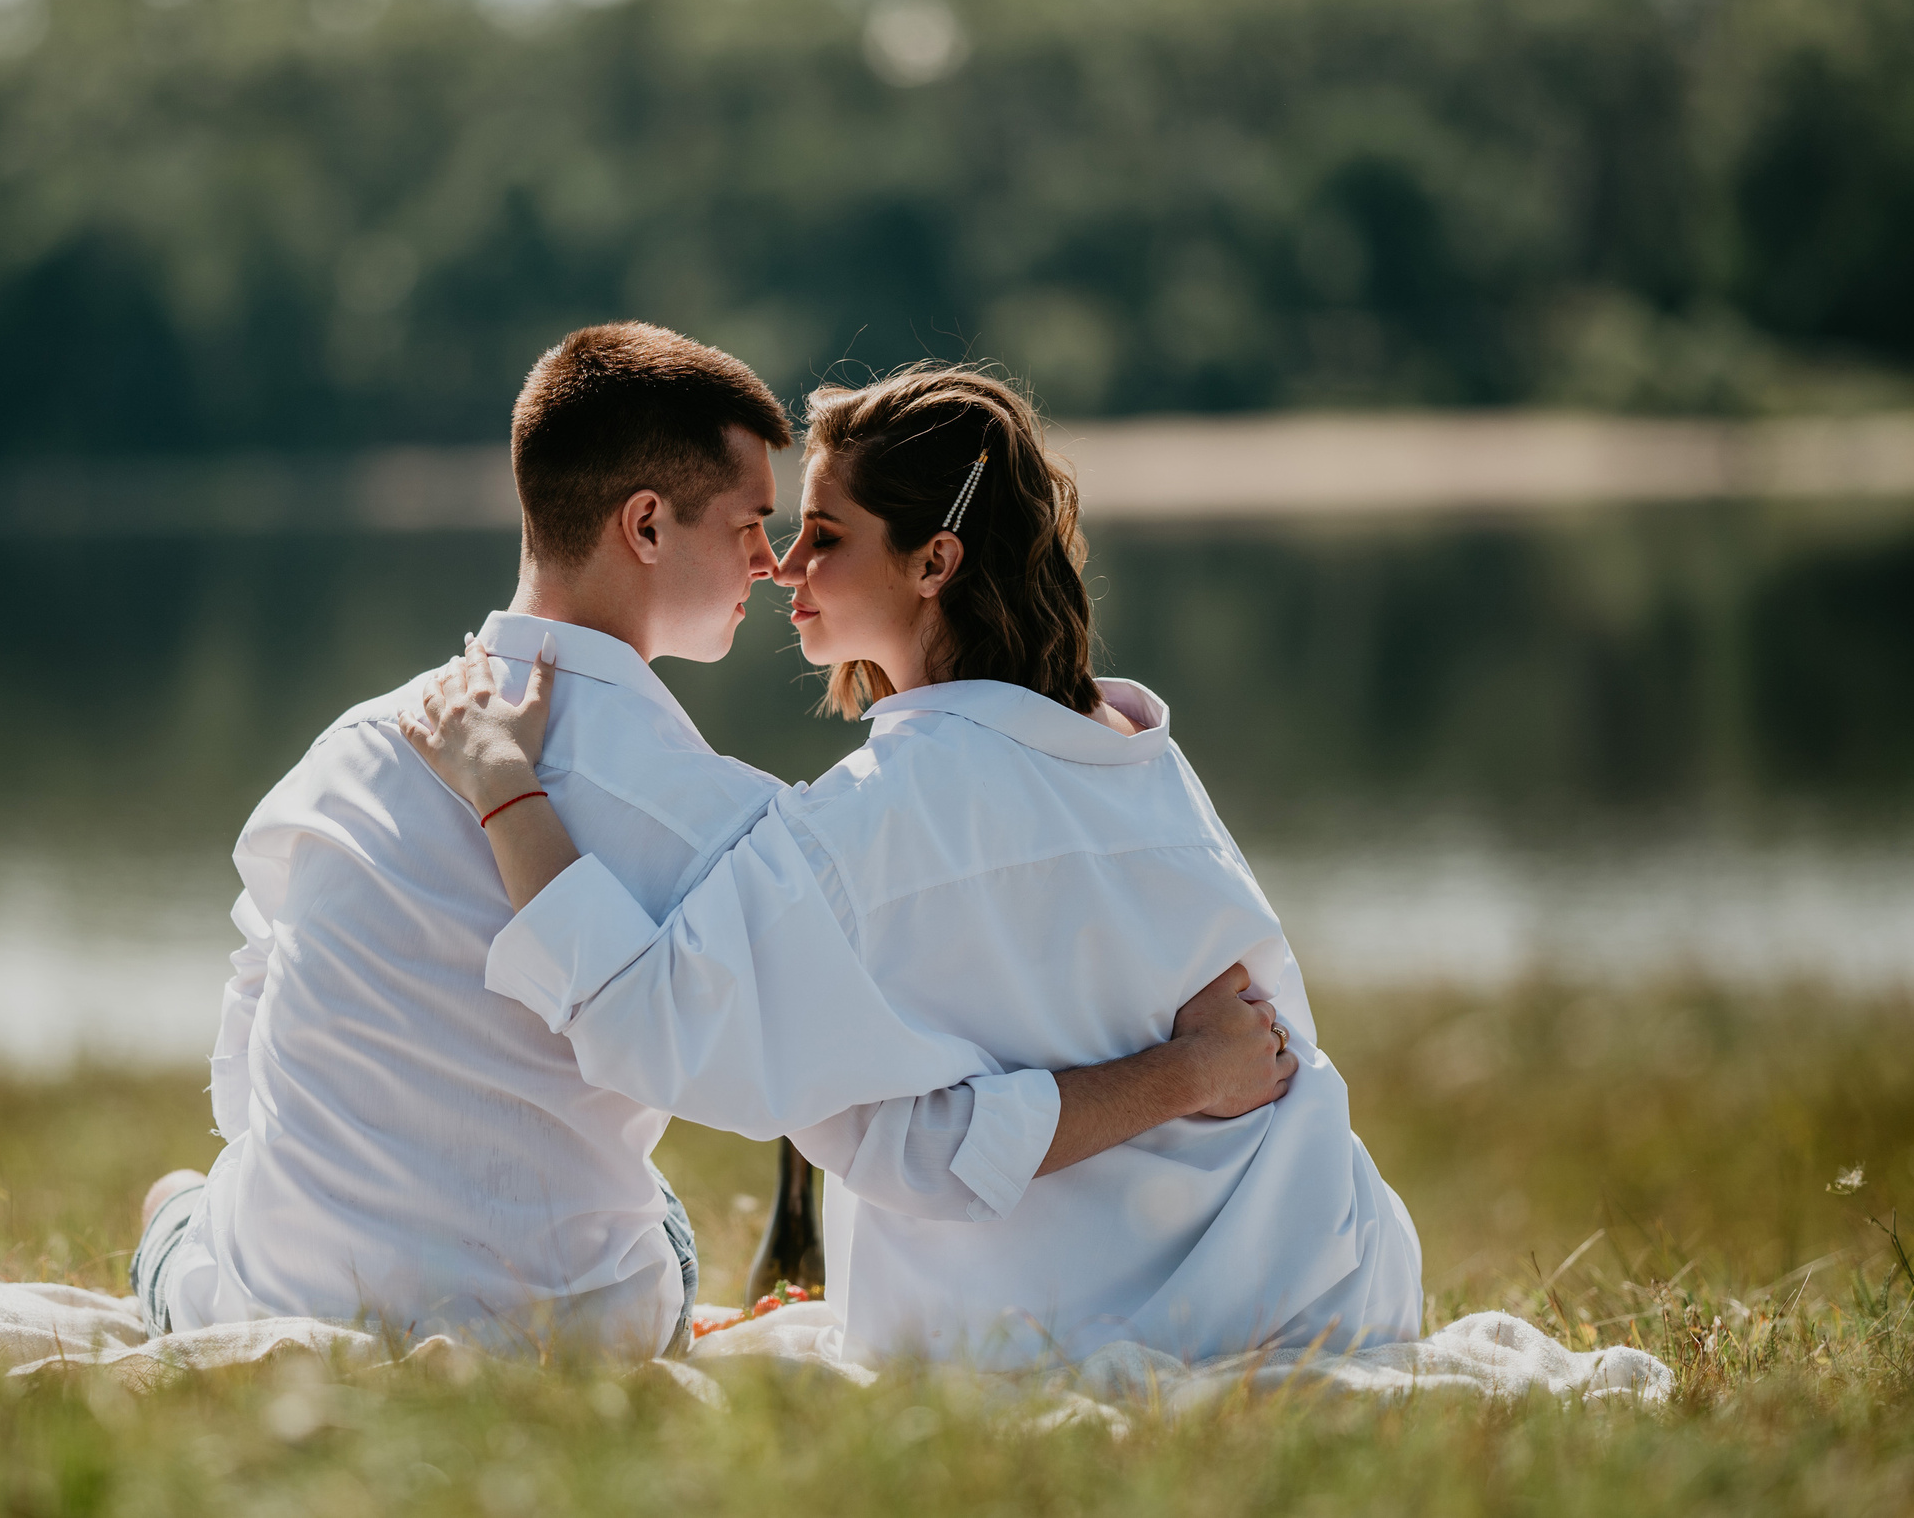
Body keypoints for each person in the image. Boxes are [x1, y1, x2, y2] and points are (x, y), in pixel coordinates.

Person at [131, 327, 1294, 1361]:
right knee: (655, 1214)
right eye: (752, 526)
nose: (771, 564)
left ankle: (188, 1220)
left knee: (187, 1194)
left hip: (273, 1285)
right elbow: (890, 1131)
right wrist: (1186, 1073)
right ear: (646, 524)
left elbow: (250, 1046)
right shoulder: (727, 824)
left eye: (801, 534)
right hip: (575, 1317)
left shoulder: (348, 750)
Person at [406, 365, 1423, 1370]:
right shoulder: (1132, 745)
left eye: (825, 536)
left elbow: (645, 1025)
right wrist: (1187, 1074)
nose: (783, 565)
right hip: (1329, 1265)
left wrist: (502, 784)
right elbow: (936, 1137)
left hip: (1116, 1313)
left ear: (934, 562)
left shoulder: (883, 815)